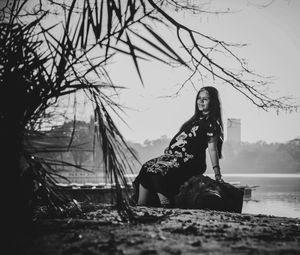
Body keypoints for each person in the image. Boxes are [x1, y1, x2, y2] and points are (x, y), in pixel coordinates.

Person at [133, 86, 224, 207]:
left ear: (212, 101)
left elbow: (213, 149)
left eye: (205, 99)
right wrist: (171, 149)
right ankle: (141, 204)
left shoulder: (212, 123)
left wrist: (217, 174)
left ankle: (165, 202)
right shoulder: (194, 120)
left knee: (158, 171)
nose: (200, 101)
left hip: (191, 161)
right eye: (199, 98)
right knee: (147, 166)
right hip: (174, 158)